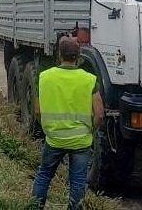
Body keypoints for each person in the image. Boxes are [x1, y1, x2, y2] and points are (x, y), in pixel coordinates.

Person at [30, 36, 104, 209]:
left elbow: (37, 110)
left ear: (59, 55)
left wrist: (47, 129)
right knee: (77, 182)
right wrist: (90, 131)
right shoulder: (89, 79)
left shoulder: (44, 77)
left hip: (54, 138)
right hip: (80, 141)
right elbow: (99, 114)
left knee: (44, 175)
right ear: (78, 56)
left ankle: (35, 207)